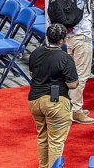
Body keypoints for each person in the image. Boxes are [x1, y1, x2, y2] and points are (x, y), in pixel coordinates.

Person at [28, 24, 79, 168]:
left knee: (42, 138)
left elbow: (32, 74)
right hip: (56, 102)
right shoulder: (65, 58)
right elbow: (72, 84)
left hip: (35, 100)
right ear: (62, 40)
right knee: (56, 142)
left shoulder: (35, 53)